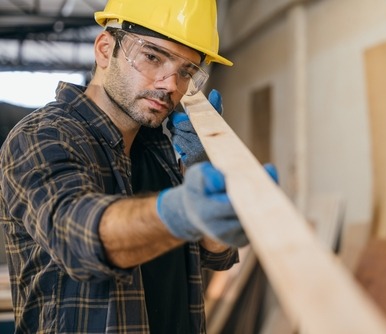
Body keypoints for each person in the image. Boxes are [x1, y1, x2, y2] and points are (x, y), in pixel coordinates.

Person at [0, 0, 277, 333]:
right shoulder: (41, 137)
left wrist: (209, 181)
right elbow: (78, 239)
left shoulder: (160, 149)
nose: (170, 85)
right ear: (105, 49)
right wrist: (183, 211)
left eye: (186, 71)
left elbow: (217, 255)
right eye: (152, 57)